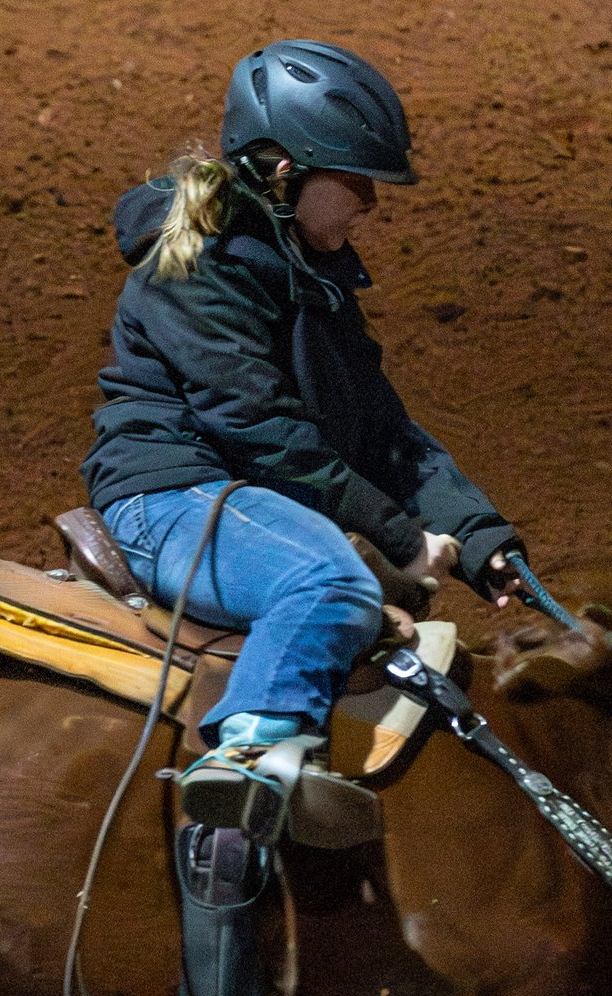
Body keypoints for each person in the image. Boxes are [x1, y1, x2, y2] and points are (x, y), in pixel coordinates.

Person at [81, 39, 528, 831]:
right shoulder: (199, 267)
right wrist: (396, 537)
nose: (372, 202)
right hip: (170, 497)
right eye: (356, 181)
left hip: (242, 497)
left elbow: (383, 430)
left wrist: (481, 535)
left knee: (335, 574)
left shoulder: (308, 276)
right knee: (328, 584)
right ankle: (248, 753)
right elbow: (261, 429)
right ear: (284, 171)